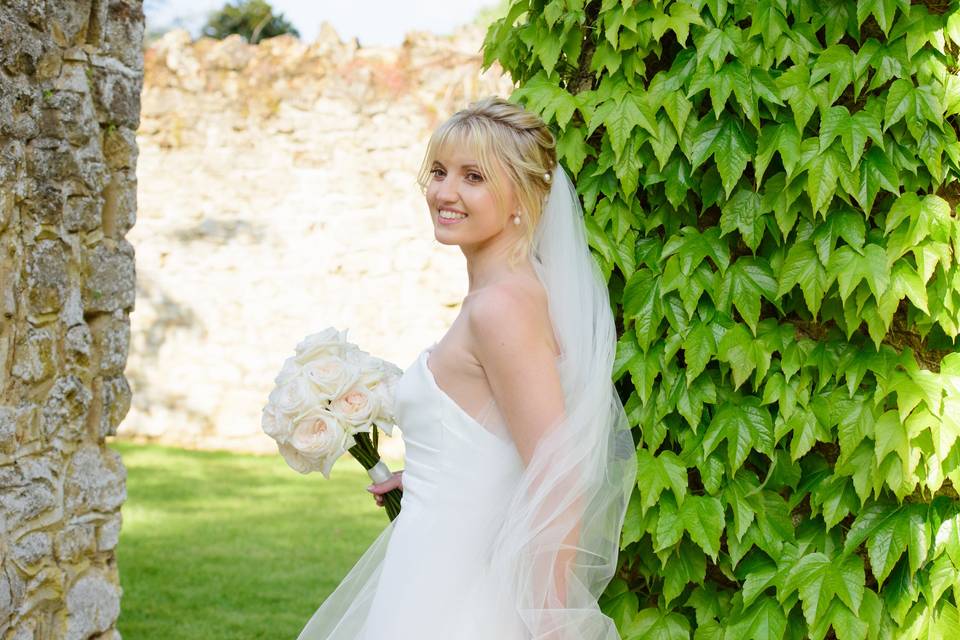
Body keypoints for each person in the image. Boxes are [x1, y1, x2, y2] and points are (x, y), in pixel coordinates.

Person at [296, 96, 637, 640]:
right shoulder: (501, 296)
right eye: (438, 171)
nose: (444, 192)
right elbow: (501, 437)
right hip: (431, 565)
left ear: (522, 199)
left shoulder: (501, 308)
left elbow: (558, 473)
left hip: (459, 594)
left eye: (473, 176)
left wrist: (550, 620)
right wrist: (431, 476)